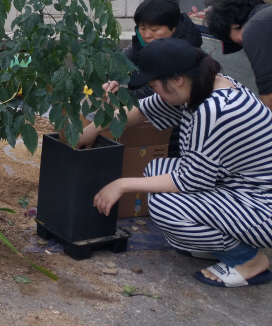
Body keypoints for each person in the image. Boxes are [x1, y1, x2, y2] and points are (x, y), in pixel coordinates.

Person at [80, 38, 272, 288]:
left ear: (177, 80)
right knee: (156, 171)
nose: (153, 90)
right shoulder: (203, 86)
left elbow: (191, 181)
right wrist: (94, 129)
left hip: (261, 207)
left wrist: (121, 184)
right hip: (238, 188)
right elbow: (143, 111)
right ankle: (223, 243)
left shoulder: (215, 110)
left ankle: (249, 260)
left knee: (166, 205)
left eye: (154, 85)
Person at [102, 0, 202, 158]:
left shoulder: (183, 53)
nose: (147, 35)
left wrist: (120, 95)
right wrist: (112, 80)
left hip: (173, 127)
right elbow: (119, 62)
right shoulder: (144, 40)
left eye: (154, 30)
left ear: (173, 28)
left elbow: (153, 94)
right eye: (142, 28)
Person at [206, 0, 272, 111]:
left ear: (234, 25)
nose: (239, 44)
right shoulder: (266, 15)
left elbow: (269, 95)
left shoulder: (255, 28)